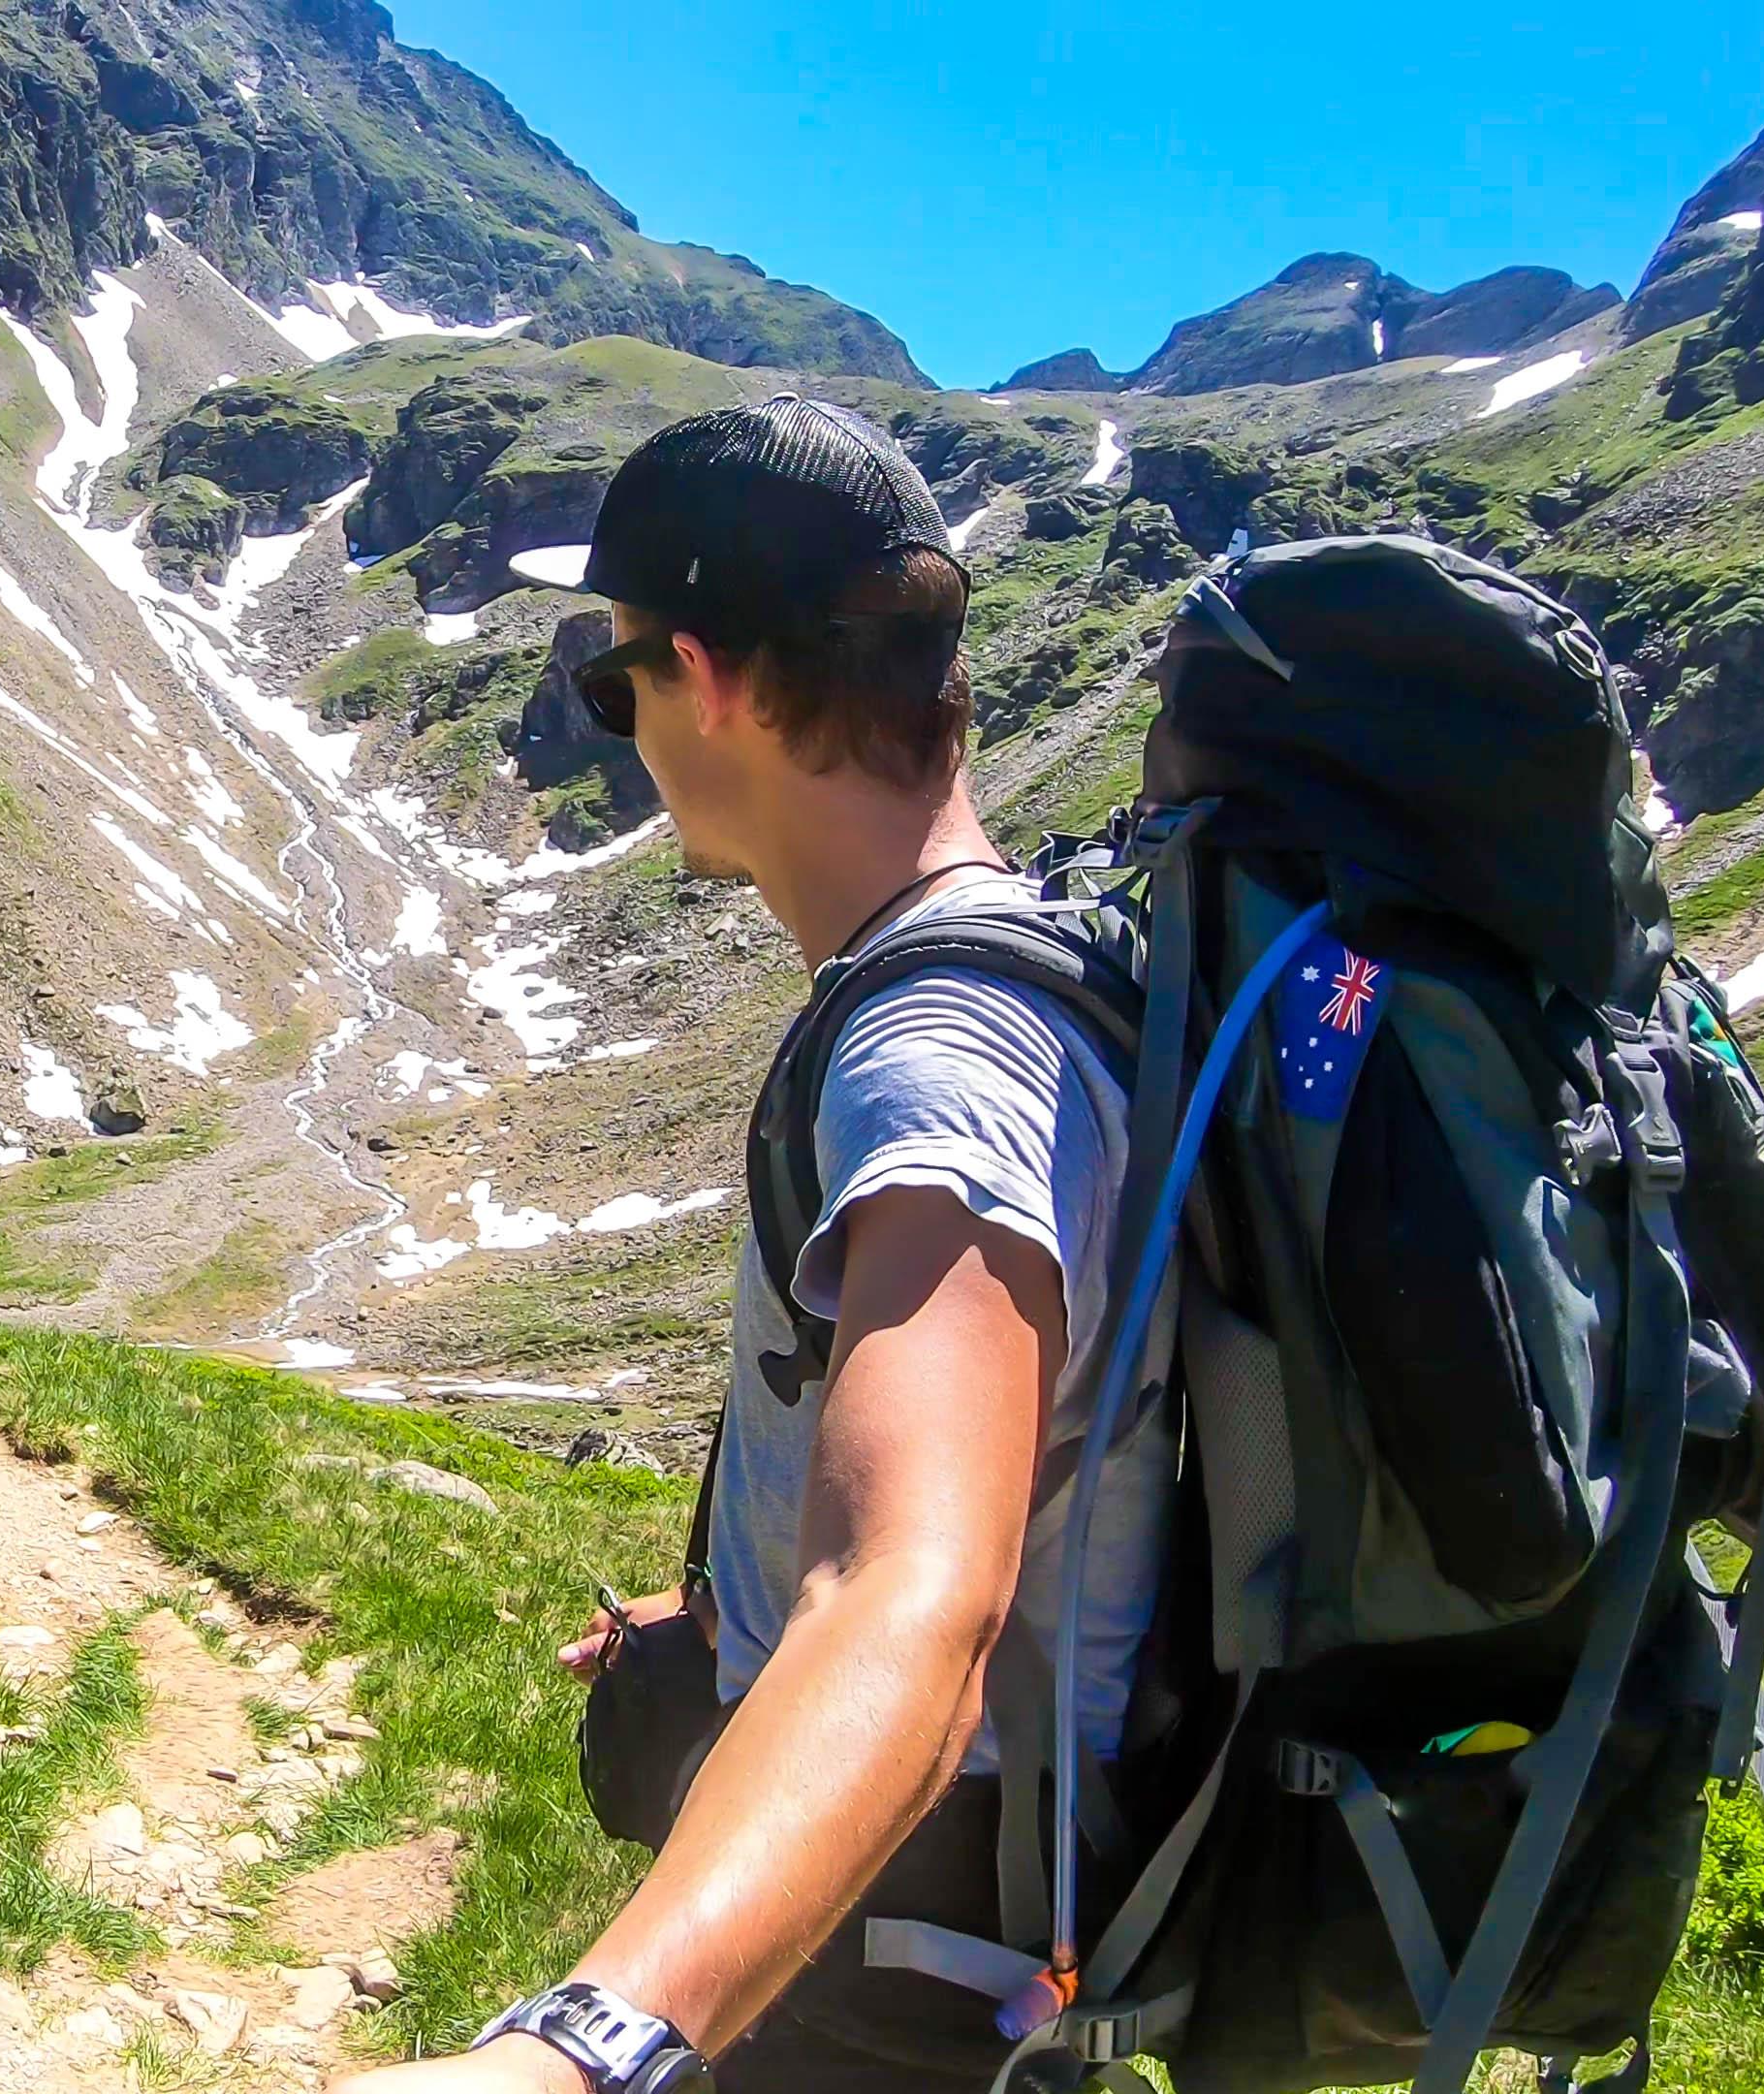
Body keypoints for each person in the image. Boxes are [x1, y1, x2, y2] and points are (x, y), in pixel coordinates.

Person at [339, 398, 1153, 2094]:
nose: (622, 724)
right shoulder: (1010, 974)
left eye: (611, 678)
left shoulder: (943, 1049)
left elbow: (914, 1593)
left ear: (704, 680)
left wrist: (579, 2048)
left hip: (904, 1975)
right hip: (955, 1925)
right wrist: (736, 1604)